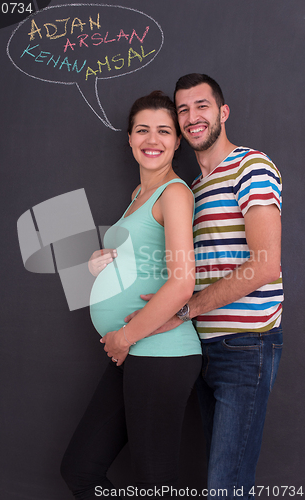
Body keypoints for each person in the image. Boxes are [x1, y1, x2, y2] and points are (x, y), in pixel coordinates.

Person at [107, 74, 283, 499]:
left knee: (226, 486)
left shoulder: (251, 167)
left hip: (246, 344)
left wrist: (182, 311)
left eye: (201, 106)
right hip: (203, 345)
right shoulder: (195, 189)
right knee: (216, 479)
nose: (192, 117)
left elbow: (265, 264)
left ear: (222, 112)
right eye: (183, 109)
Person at [60, 91, 202, 499]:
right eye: (143, 130)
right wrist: (100, 265)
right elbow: (146, 263)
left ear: (177, 141)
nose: (152, 139)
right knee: (80, 469)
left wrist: (124, 336)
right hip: (136, 353)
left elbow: (181, 282)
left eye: (164, 131)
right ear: (129, 138)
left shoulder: (174, 193)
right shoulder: (138, 197)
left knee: (156, 485)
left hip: (161, 352)